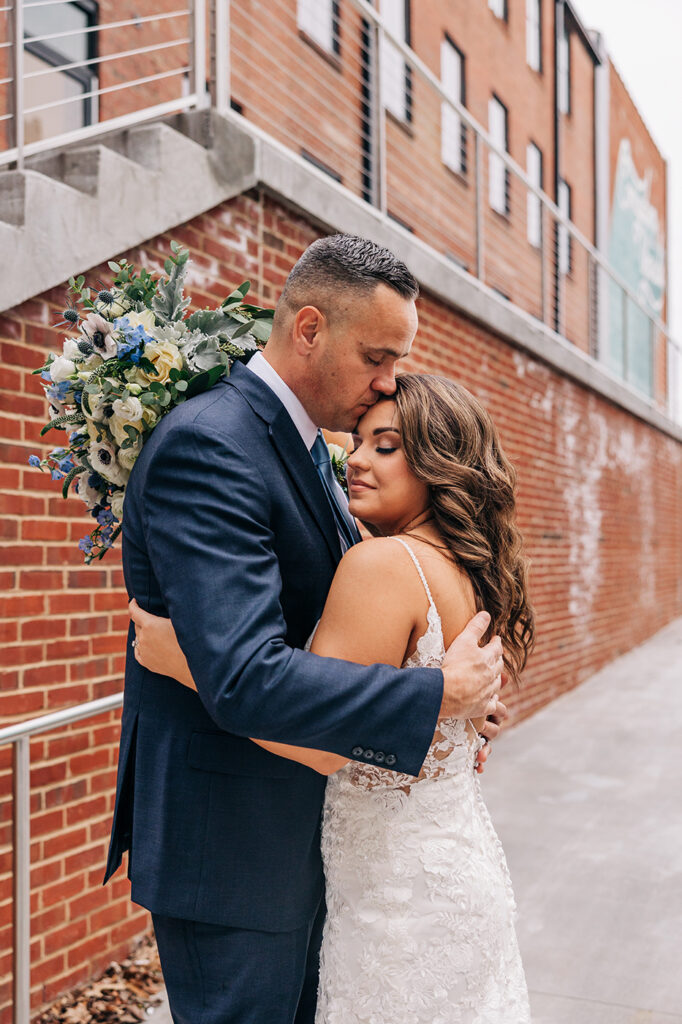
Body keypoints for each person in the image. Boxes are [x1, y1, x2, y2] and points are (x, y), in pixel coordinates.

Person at [105, 235, 505, 1024]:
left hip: (310, 843)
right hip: (236, 855)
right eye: (378, 356)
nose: (390, 381)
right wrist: (431, 695)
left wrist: (451, 704)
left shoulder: (312, 453)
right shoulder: (211, 444)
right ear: (310, 329)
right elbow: (247, 676)